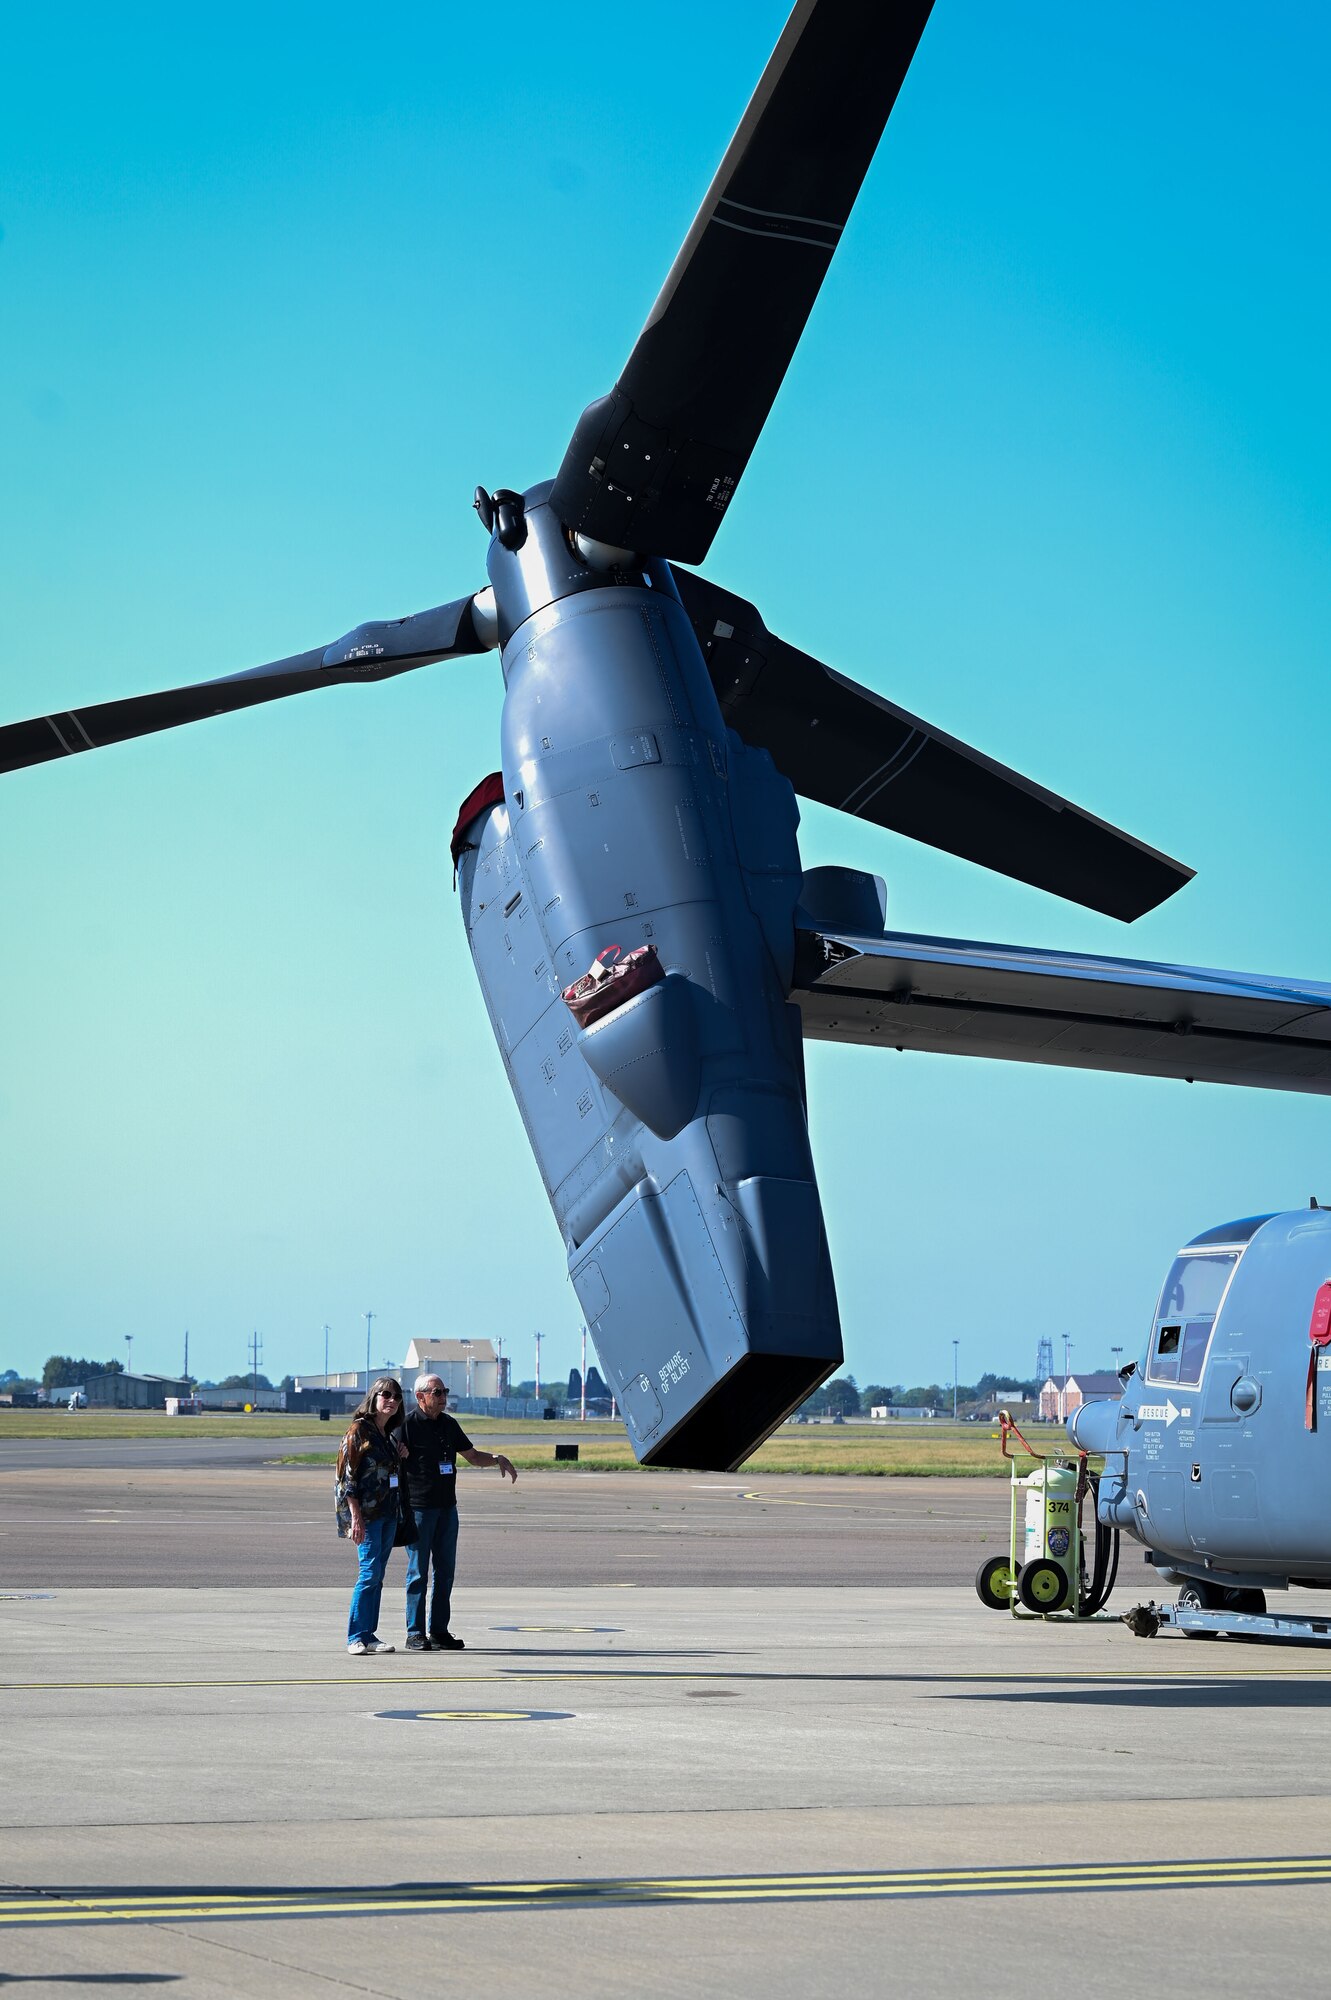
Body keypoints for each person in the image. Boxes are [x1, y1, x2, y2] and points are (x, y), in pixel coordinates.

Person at [402, 1373, 517, 1650]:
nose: (443, 1397)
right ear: (420, 1396)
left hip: (446, 1509)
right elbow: (392, 1459)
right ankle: (414, 1632)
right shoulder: (407, 1425)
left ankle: (439, 1631)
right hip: (419, 1509)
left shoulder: (449, 1424)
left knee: (445, 1572)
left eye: (444, 1391)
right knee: (418, 1572)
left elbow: (472, 1455)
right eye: (437, 1392)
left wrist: (496, 1459)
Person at [335, 1377, 408, 1656]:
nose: (391, 1400)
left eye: (397, 1397)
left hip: (389, 1513)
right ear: (374, 1398)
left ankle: (369, 1634)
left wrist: (400, 1454)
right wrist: (355, 1518)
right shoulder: (359, 1431)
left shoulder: (387, 1434)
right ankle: (355, 1636)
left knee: (377, 1575)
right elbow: (347, 1480)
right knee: (368, 1573)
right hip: (367, 1515)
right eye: (385, 1394)